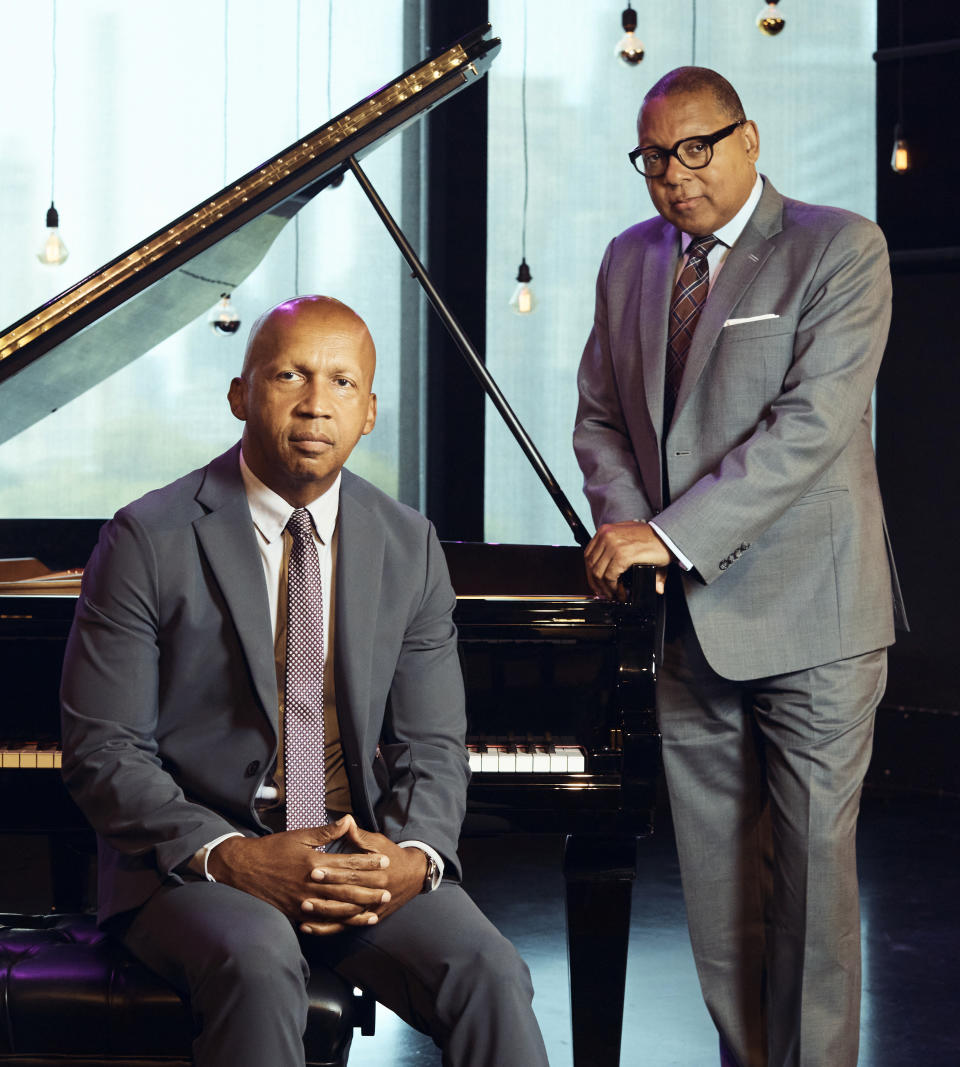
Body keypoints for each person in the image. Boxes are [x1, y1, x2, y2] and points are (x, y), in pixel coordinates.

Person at [61, 295, 550, 1067]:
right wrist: (233, 856)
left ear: (370, 411)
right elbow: (104, 750)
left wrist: (413, 856)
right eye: (289, 374)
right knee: (259, 960)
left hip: (354, 858)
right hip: (194, 867)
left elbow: (433, 742)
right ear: (239, 395)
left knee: (489, 970)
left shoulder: (408, 543)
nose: (317, 403)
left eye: (342, 383)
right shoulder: (145, 537)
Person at [574, 68, 906, 1067]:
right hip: (684, 621)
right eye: (653, 160)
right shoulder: (629, 259)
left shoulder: (841, 247)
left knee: (808, 883)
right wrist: (634, 535)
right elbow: (599, 416)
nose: (674, 177)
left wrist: (669, 535)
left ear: (749, 140)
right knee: (718, 899)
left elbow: (809, 430)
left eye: (696, 149)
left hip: (818, 615)